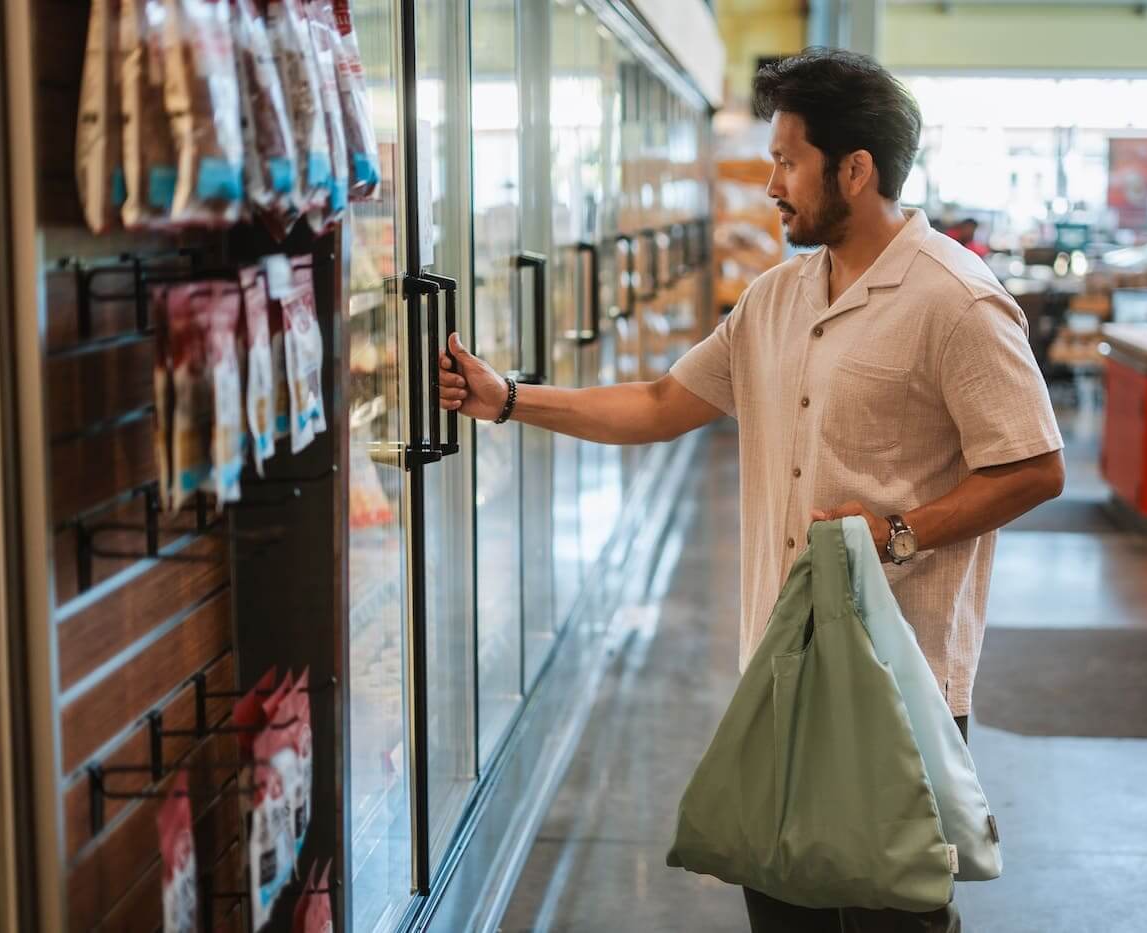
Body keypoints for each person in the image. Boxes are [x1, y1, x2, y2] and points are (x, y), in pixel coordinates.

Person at [439, 46, 1065, 933]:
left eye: (786, 160)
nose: (771, 182)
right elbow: (661, 401)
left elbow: (1035, 466)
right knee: (780, 903)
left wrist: (898, 531)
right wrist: (507, 399)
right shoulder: (775, 298)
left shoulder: (957, 301)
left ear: (856, 169)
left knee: (893, 915)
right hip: (778, 666)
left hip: (900, 678)